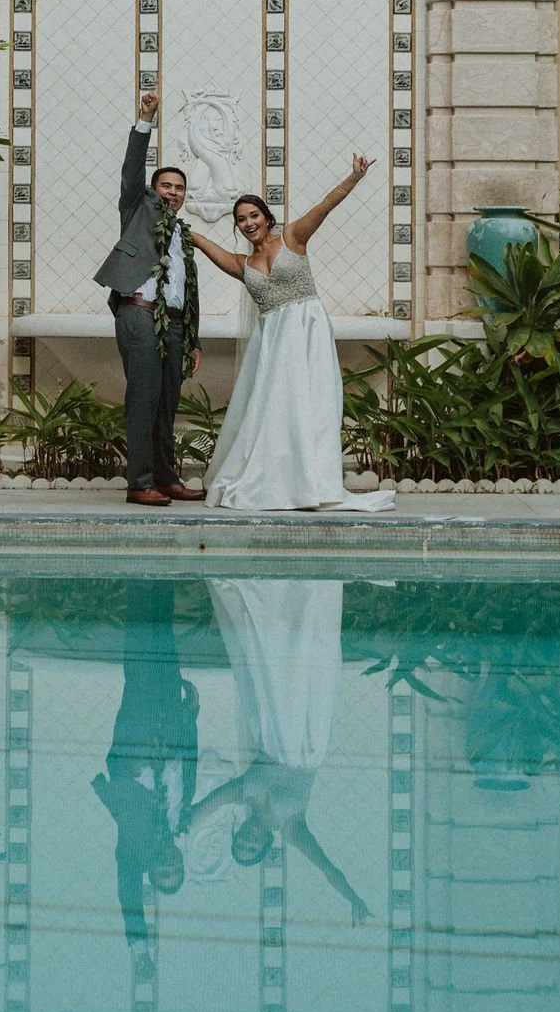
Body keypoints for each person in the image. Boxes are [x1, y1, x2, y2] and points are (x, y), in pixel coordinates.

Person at [191, 157, 396, 511]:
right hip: (271, 343)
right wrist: (176, 228)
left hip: (307, 332)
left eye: (253, 216)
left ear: (266, 218)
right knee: (273, 408)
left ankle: (312, 483)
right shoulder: (241, 264)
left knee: (310, 405)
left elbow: (325, 205)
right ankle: (275, 481)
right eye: (241, 219)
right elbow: (202, 242)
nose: (248, 223)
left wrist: (355, 176)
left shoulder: (292, 237)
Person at [188, 578, 371, 926]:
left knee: (266, 656)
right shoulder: (291, 827)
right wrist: (352, 897)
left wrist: (167, 832)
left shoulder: (243, 794)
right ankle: (307, 597)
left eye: (240, 843)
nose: (247, 841)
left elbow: (200, 811)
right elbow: (325, 866)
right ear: (263, 846)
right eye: (250, 848)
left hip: (272, 724)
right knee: (311, 654)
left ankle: (275, 599)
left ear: (238, 833)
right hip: (305, 735)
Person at [94, 86, 205, 506]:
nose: (173, 192)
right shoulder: (136, 210)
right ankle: (139, 483)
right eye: (166, 185)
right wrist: (146, 119)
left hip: (173, 325)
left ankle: (165, 476)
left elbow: (188, 292)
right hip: (139, 314)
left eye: (180, 188)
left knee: (166, 403)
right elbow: (132, 169)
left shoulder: (183, 236)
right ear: (153, 190)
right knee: (143, 399)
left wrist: (193, 338)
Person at [92, 581, 200, 982]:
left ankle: (138, 579)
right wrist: (193, 715)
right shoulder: (180, 816)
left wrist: (140, 950)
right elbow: (189, 761)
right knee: (165, 637)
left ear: (149, 869)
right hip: (170, 716)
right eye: (176, 868)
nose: (169, 864)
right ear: (180, 859)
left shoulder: (132, 845)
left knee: (140, 640)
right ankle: (163, 574)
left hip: (137, 723)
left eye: (163, 871)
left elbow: (128, 894)